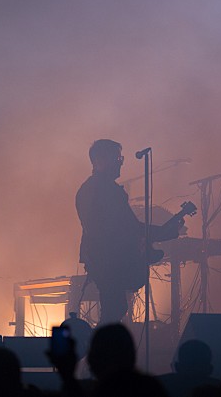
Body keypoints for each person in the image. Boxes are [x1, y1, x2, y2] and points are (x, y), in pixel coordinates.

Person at [75, 139, 183, 324]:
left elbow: (125, 227)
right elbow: (128, 227)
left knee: (115, 308)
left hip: (99, 257)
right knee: (114, 310)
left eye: (120, 158)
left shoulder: (90, 188)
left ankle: (100, 348)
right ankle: (99, 350)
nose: (120, 163)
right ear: (99, 160)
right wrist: (164, 233)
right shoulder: (106, 190)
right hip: (108, 259)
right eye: (116, 158)